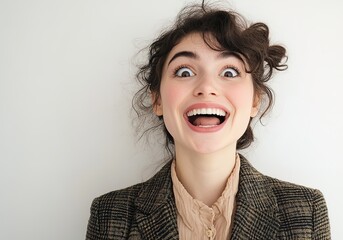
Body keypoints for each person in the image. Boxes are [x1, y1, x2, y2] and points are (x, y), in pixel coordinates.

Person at [86, 2, 330, 240]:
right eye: (184, 72)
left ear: (255, 100)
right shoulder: (108, 215)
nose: (206, 87)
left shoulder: (306, 212)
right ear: (157, 99)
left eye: (229, 72)